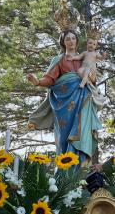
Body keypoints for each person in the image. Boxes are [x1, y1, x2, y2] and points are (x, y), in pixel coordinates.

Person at [27, 30, 105, 167]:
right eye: (67, 39)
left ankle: (81, 172)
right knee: (64, 138)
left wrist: (92, 76)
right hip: (63, 103)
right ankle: (64, 174)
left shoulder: (85, 58)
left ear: (77, 41)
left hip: (83, 98)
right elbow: (50, 79)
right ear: (63, 42)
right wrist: (38, 82)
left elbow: (92, 78)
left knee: (82, 133)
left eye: (73, 38)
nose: (71, 41)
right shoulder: (59, 60)